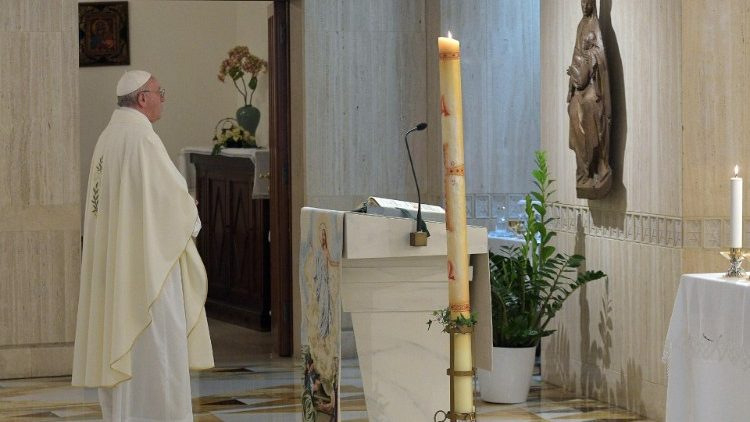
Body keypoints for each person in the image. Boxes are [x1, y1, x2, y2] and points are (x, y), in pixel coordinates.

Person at [72, 70, 214, 421]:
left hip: (119, 264)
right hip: (148, 269)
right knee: (156, 346)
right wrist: (189, 207)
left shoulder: (109, 136)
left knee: (124, 340)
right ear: (142, 98)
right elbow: (170, 199)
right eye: (158, 92)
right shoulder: (142, 138)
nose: (162, 98)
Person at [566, 0, 612, 197]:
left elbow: (601, 59)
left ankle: (596, 165)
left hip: (594, 86)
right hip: (580, 84)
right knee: (573, 111)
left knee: (588, 110)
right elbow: (575, 56)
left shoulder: (596, 27)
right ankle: (583, 171)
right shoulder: (580, 26)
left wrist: (591, 58)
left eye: (588, 2)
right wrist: (572, 86)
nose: (585, 6)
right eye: (582, 3)